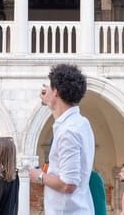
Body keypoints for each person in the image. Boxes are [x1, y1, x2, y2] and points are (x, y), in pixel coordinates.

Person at [29, 64, 95, 214]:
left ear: (56, 92)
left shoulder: (68, 131)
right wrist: (48, 102)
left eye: (49, 87)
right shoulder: (81, 123)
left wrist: (39, 176)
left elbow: (68, 184)